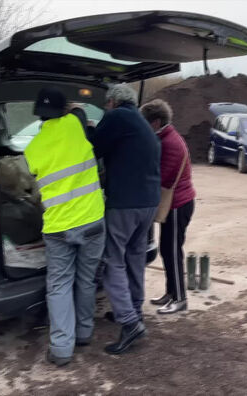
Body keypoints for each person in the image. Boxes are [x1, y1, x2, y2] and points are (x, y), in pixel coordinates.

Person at [24, 87, 105, 367]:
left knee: (59, 285)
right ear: (64, 111)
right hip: (92, 220)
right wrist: (72, 107)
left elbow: (31, 181)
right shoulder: (74, 124)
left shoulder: (32, 149)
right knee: (86, 280)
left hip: (58, 228)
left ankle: (61, 348)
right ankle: (84, 333)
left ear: (38, 117)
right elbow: (81, 113)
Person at [88, 84, 161, 355]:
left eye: (107, 104)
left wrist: (86, 128)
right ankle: (134, 311)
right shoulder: (140, 121)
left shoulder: (117, 117)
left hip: (125, 204)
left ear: (112, 102)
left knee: (112, 261)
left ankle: (129, 323)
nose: (107, 108)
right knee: (134, 258)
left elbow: (93, 149)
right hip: (148, 203)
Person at [140, 99, 196, 314]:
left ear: (155, 122)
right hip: (177, 204)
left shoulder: (169, 143)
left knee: (172, 251)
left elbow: (163, 178)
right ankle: (170, 292)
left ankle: (180, 298)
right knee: (166, 249)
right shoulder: (166, 137)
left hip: (177, 205)